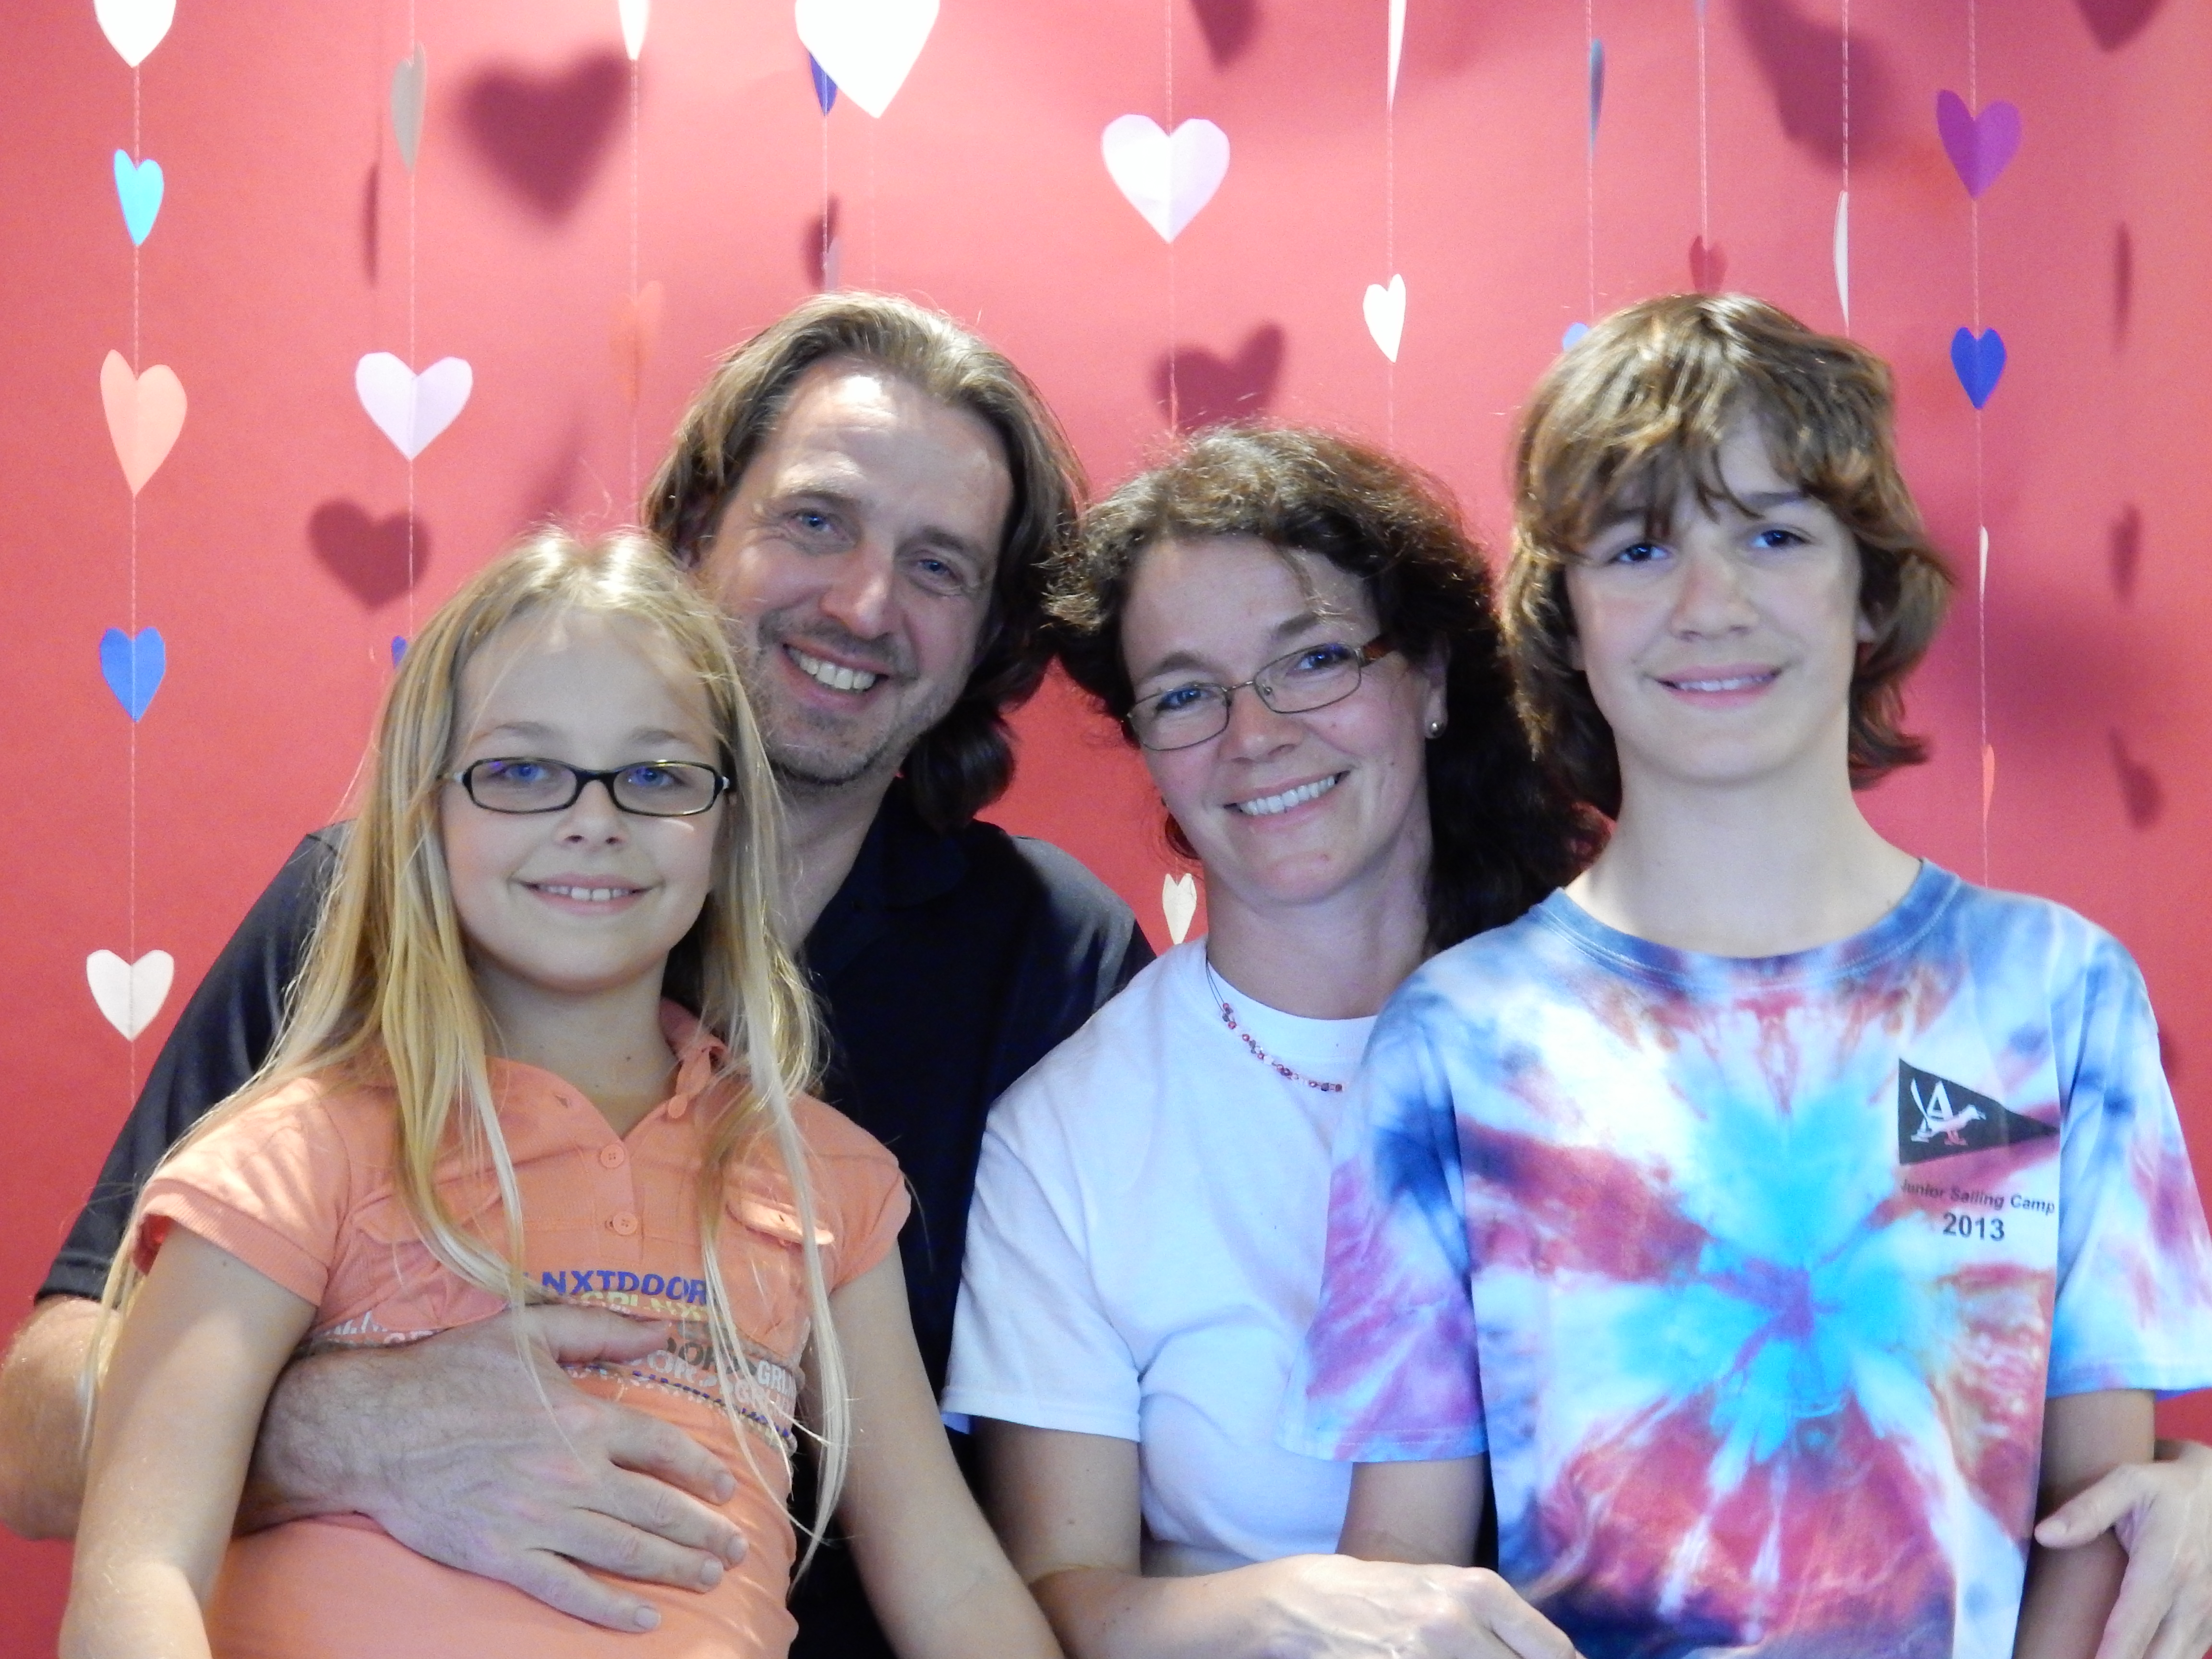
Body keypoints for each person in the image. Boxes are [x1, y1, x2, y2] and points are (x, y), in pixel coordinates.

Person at [4, 293, 1146, 1655]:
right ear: (696, 532)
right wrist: (335, 1426)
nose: (863, 602)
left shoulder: (1045, 964)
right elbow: (37, 1443)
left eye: (941, 564)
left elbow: (1037, 1528)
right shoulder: (361, 948)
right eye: (815, 520)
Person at [1283, 294, 2212, 1659]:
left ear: (1870, 590)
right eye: (1640, 548)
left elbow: (2102, 1518)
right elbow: (1404, 1584)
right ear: (1567, 617)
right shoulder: (1458, 1038)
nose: (1708, 606)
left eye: (1774, 535)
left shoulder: (2052, 993)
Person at [945, 424, 1600, 1658]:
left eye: (1313, 660)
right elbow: (1060, 1600)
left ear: (1432, 680)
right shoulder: (1070, 1133)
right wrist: (1298, 1604)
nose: (1255, 735)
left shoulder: (1623, 1029)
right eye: (1187, 694)